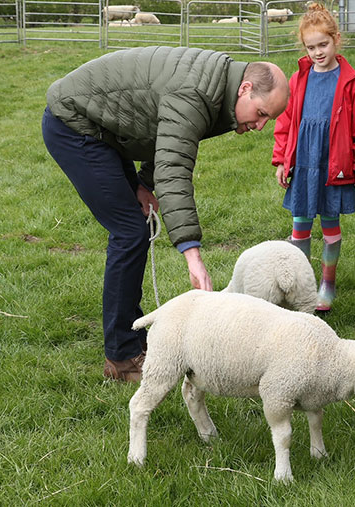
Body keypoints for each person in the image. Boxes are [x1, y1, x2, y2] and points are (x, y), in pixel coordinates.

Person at [42, 46, 290, 382]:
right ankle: (121, 356)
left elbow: (163, 131)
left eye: (268, 119)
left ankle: (133, 336)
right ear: (245, 89)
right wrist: (193, 256)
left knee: (134, 229)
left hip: (109, 128)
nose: (261, 125)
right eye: (261, 113)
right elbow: (174, 168)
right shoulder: (198, 92)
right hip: (75, 125)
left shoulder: (219, 91)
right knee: (129, 232)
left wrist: (142, 183)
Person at [272, 3, 355, 312]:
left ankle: (327, 285)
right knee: (300, 225)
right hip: (305, 163)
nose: (317, 52)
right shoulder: (298, 80)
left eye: (323, 44)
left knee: (330, 224)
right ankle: (303, 287)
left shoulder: (351, 82)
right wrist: (282, 160)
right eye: (310, 47)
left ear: (336, 39)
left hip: (335, 165)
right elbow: (285, 122)